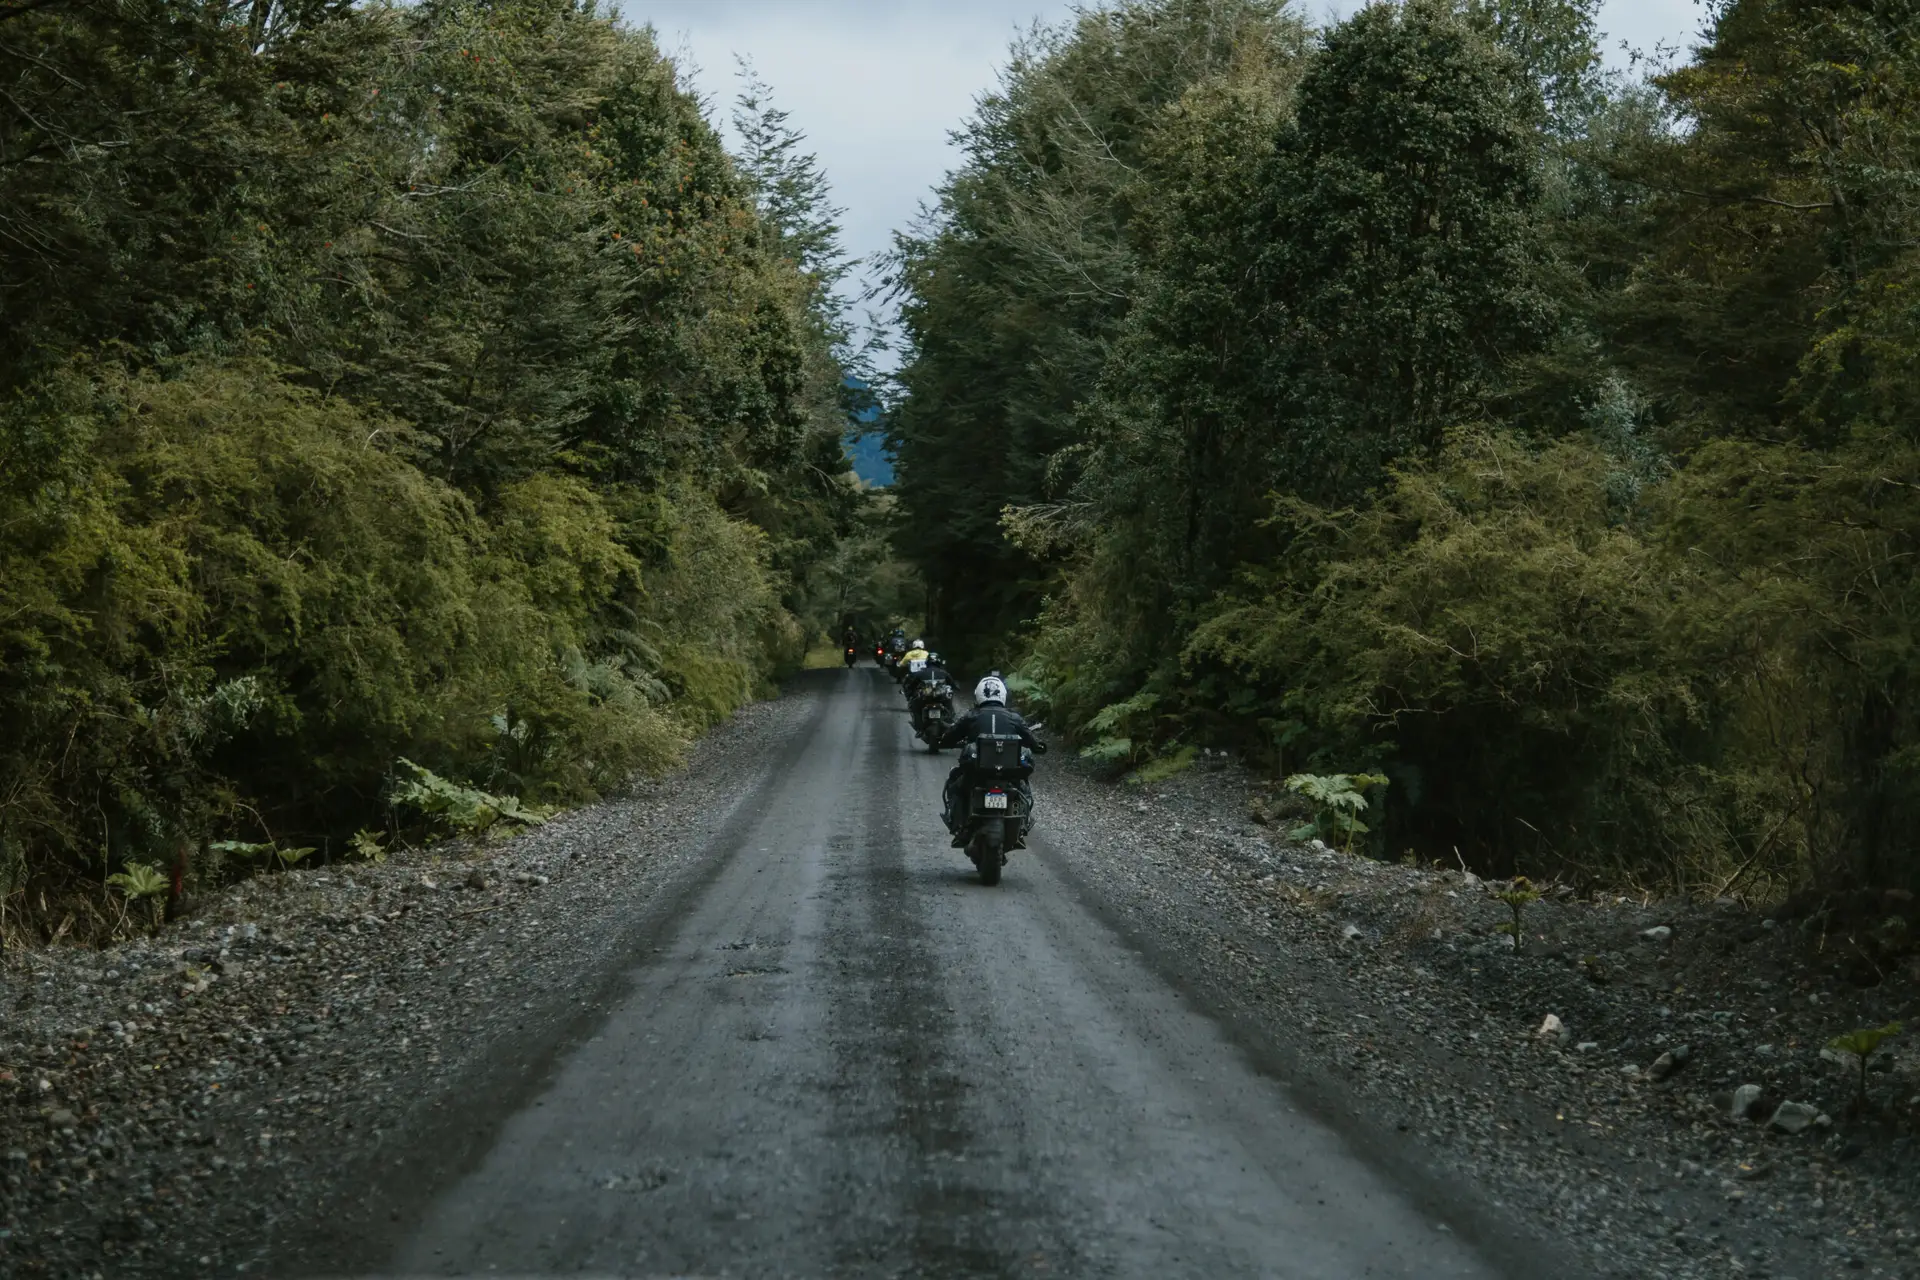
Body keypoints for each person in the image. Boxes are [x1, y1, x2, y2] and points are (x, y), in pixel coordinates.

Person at [938, 673, 1044, 843]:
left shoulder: (971, 716)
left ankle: (957, 823)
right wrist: (1038, 746)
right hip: (1009, 773)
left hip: (977, 771)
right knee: (1024, 788)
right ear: (1002, 694)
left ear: (979, 694)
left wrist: (944, 741)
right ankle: (1024, 822)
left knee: (956, 785)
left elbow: (950, 736)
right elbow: (1032, 741)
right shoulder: (1014, 717)